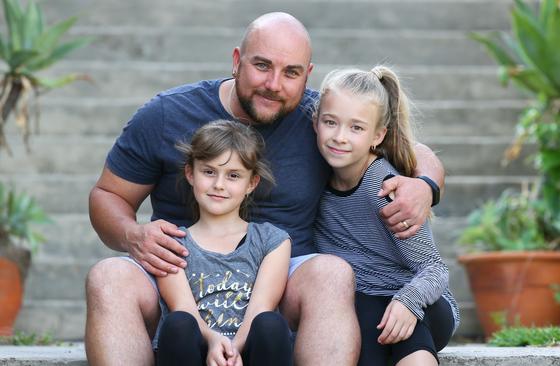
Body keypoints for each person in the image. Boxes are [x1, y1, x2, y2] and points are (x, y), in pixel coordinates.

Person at [85, 12, 445, 366]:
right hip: (176, 271)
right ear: (237, 61)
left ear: (307, 76)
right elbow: (108, 194)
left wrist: (424, 185)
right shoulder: (166, 114)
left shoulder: (321, 120)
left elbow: (416, 151)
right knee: (108, 277)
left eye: (291, 73)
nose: (274, 83)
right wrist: (132, 234)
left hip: (284, 279)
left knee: (332, 273)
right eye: (262, 66)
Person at [312, 66, 459, 366]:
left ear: (377, 135)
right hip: (364, 306)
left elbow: (434, 269)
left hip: (423, 303)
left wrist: (408, 302)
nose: (340, 137)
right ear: (315, 122)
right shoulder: (312, 177)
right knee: (363, 316)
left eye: (356, 128)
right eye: (331, 122)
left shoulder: (384, 188)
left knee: (386, 318)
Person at [154, 120, 292, 366]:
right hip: (194, 352)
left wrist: (234, 348)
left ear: (251, 183)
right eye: (209, 172)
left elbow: (261, 306)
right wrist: (214, 341)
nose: (219, 184)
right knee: (179, 323)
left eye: (233, 176)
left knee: (271, 324)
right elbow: (183, 306)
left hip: (249, 353)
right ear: (190, 173)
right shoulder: (171, 243)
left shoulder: (272, 241)